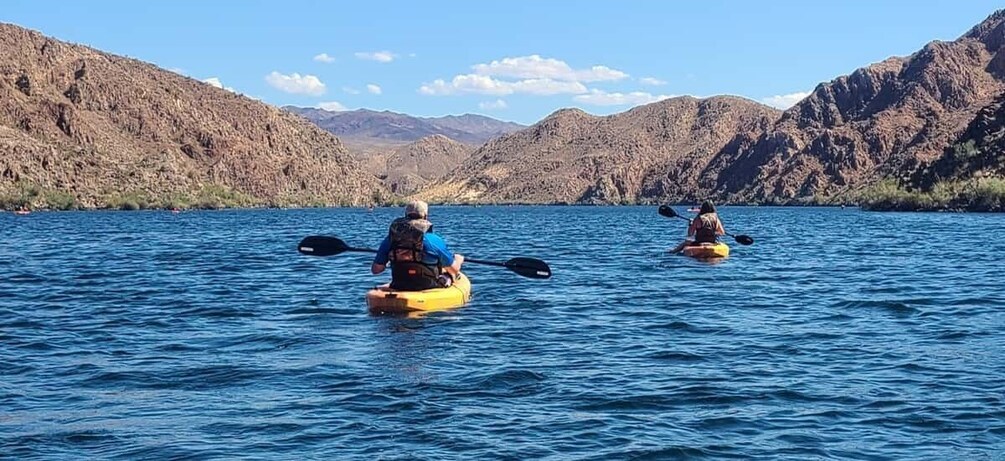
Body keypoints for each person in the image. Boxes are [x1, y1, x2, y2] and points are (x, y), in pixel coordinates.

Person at [371, 200, 464, 290]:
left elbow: (376, 270)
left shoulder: (390, 240)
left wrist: (391, 257)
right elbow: (454, 270)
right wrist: (458, 260)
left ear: (405, 216)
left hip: (399, 285)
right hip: (429, 286)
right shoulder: (433, 240)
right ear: (425, 216)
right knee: (449, 273)